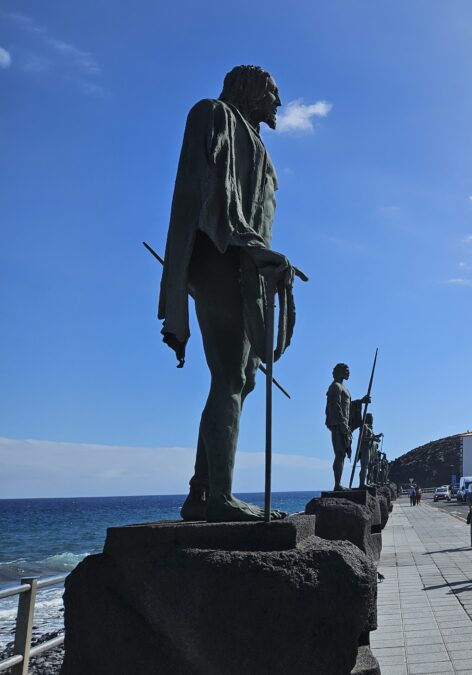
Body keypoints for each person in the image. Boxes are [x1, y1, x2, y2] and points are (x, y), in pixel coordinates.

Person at [159, 65, 296, 522]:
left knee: (244, 378)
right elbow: (212, 191)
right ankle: (219, 498)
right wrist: (249, 244)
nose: (278, 103)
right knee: (230, 378)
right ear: (250, 90)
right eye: (272, 93)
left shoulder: (256, 141)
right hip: (221, 258)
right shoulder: (213, 114)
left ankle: (202, 492)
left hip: (247, 270)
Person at [325, 363, 352, 491]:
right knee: (339, 453)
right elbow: (334, 405)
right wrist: (342, 423)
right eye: (346, 370)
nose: (348, 373)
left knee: (342, 454)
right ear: (339, 372)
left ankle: (338, 483)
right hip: (338, 424)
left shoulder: (344, 388)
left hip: (344, 424)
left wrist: (361, 401)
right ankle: (337, 484)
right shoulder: (335, 386)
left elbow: (347, 406)